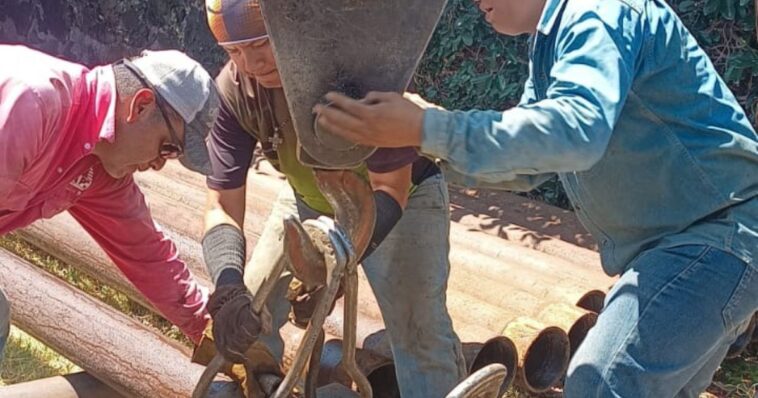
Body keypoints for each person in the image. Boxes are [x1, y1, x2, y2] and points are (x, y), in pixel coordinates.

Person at [313, 0, 758, 397]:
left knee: (601, 381)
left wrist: (426, 127)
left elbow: (575, 132)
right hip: (697, 246)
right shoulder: (552, 44)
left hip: (718, 237)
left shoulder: (598, 11)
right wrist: (425, 140)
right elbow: (531, 166)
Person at [197, 1, 466, 396]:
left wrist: (338, 262)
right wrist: (226, 287)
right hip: (309, 196)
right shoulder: (235, 90)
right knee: (251, 304)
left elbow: (390, 189)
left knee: (418, 332)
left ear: (290, 30)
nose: (250, 63)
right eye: (234, 51)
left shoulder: (355, 73)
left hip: (399, 205)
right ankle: (260, 381)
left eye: (261, 43)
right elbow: (220, 204)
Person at [0, 45, 221, 354]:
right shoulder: (33, 104)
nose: (159, 165)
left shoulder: (101, 170)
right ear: (141, 106)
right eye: (168, 148)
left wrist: (212, 327)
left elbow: (147, 254)